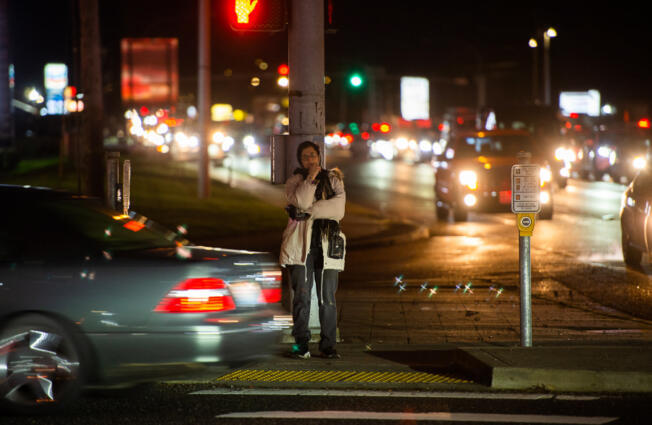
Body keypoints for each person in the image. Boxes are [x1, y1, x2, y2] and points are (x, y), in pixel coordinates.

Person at [280, 141, 346, 359]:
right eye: (305, 156)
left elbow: (338, 209)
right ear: (301, 160)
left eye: (313, 155)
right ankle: (301, 345)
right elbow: (300, 200)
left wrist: (310, 212)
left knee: (327, 297)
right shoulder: (295, 181)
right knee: (301, 296)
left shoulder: (334, 180)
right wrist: (310, 179)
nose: (310, 159)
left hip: (327, 245)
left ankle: (328, 346)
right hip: (300, 246)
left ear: (319, 157)